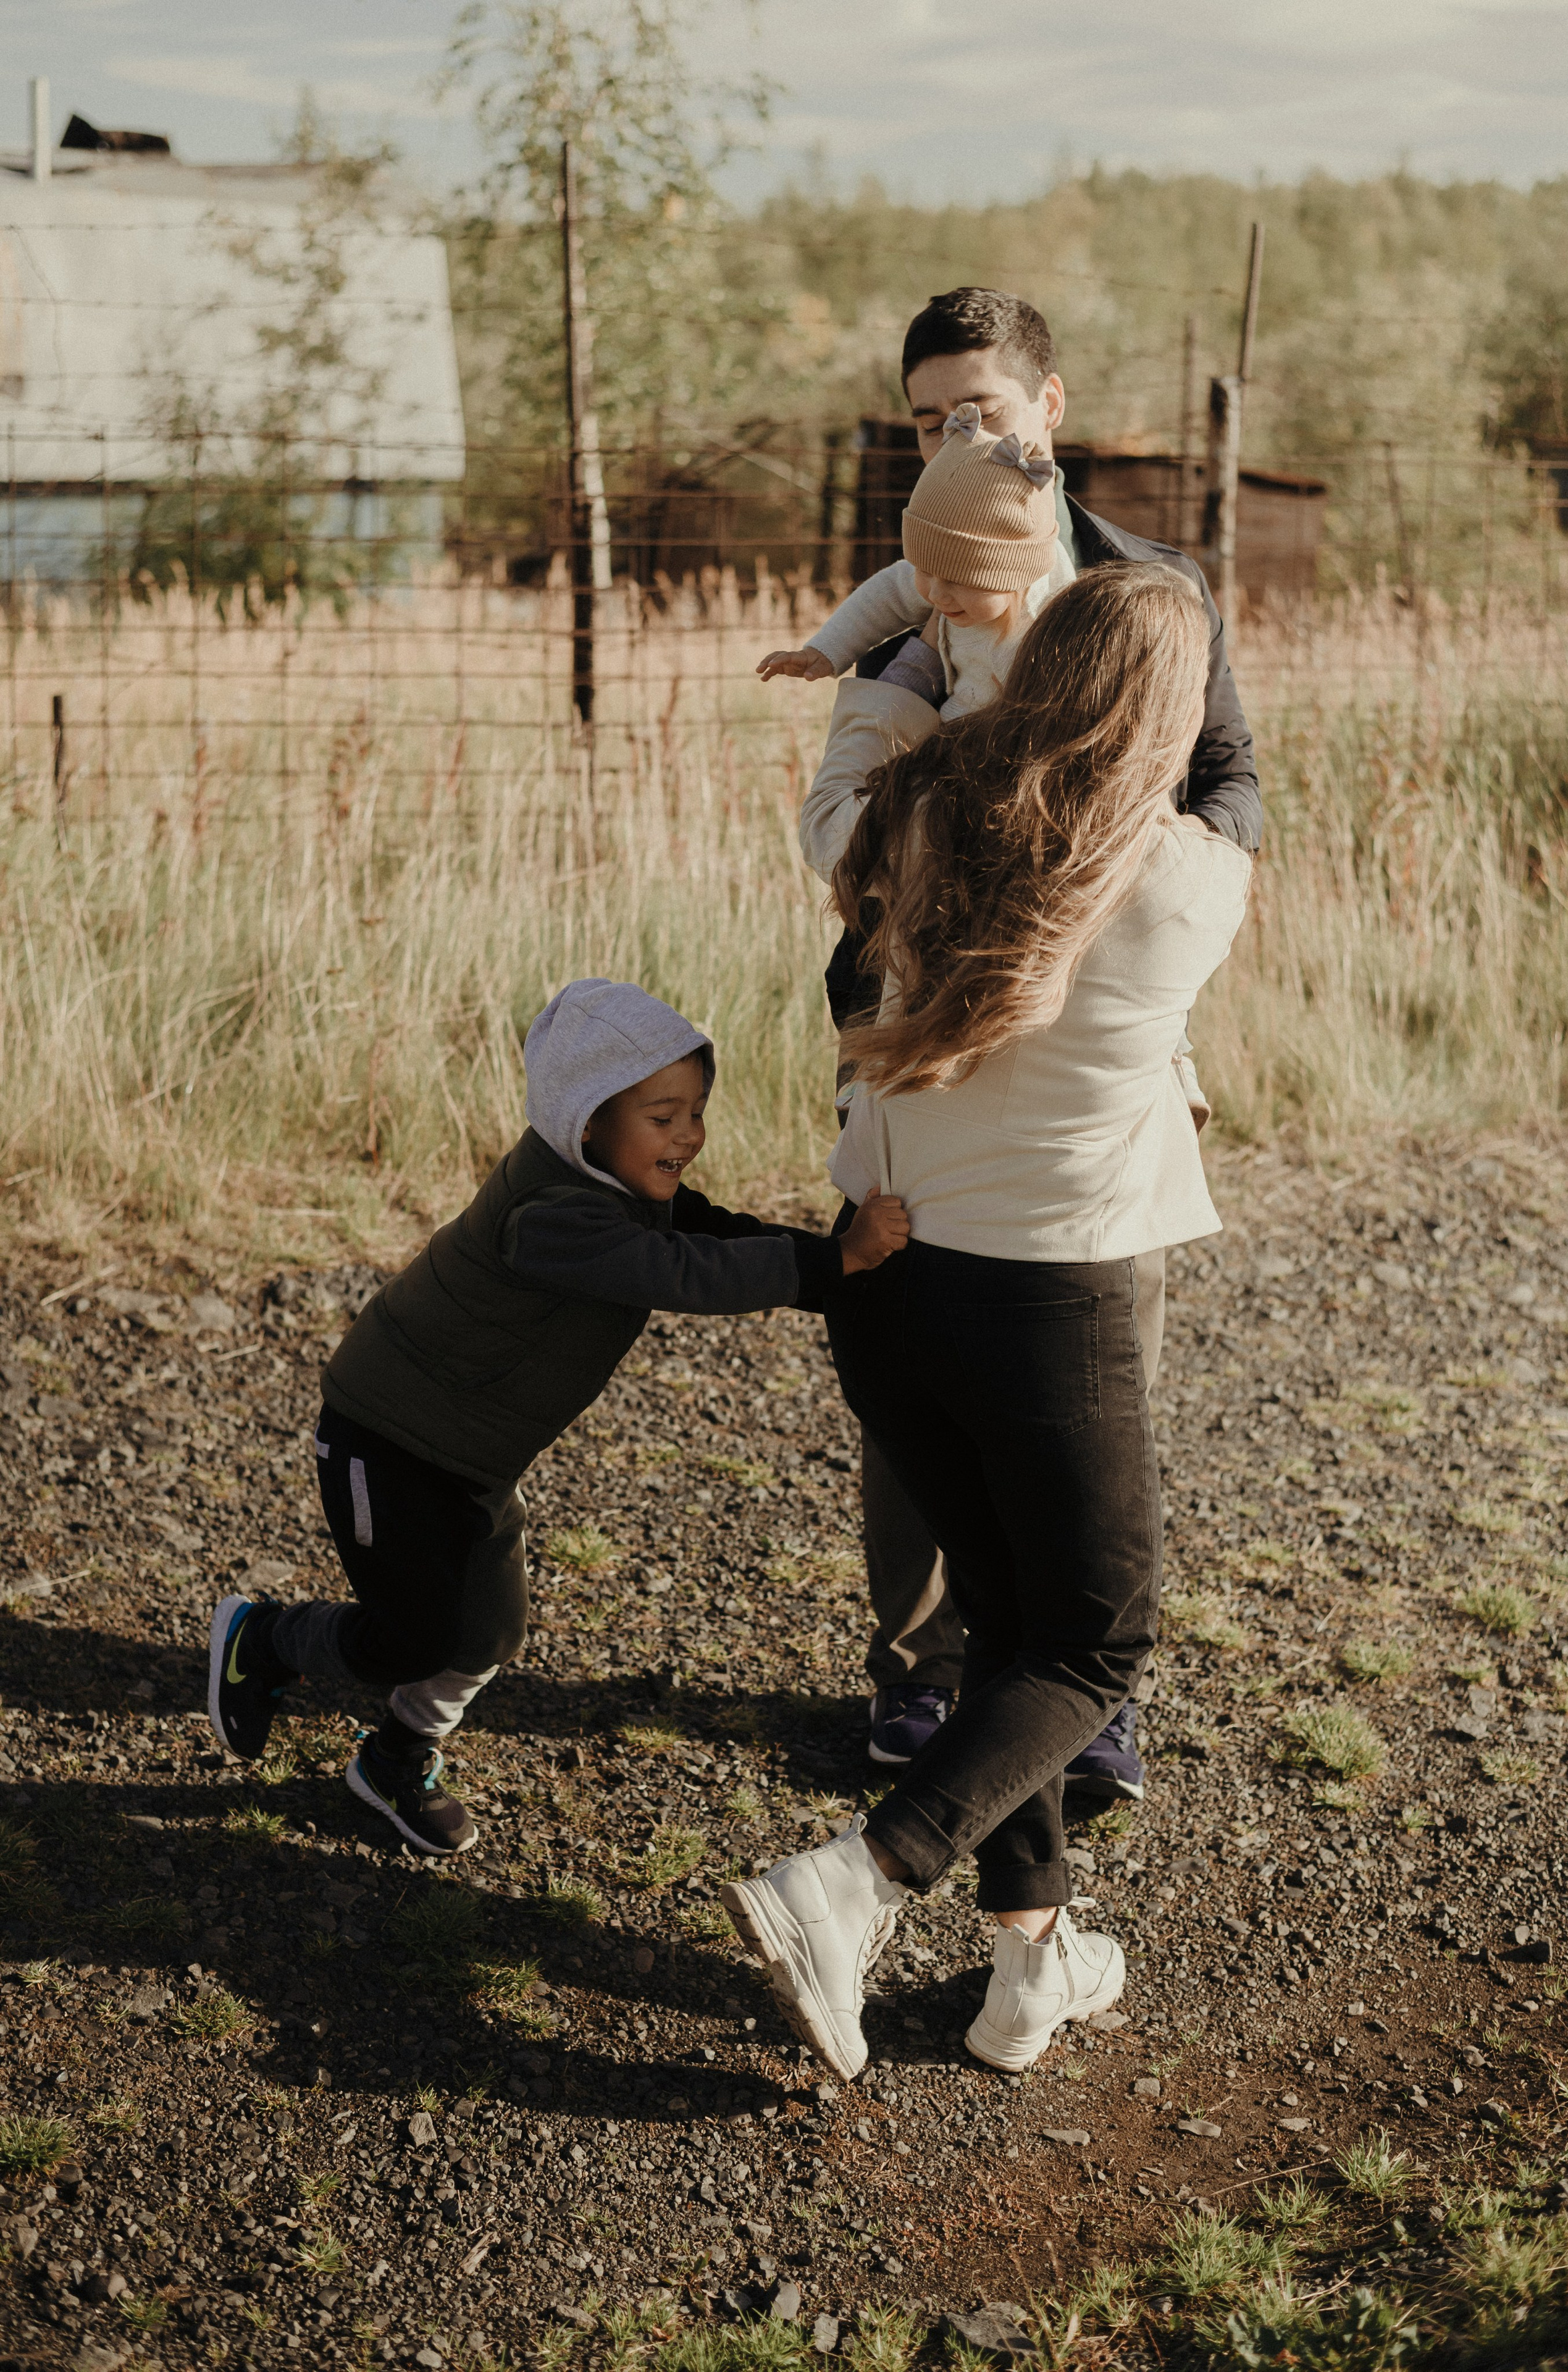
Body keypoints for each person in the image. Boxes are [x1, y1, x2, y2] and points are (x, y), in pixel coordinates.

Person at [723, 562, 1251, 2081]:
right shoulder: (1189, 885)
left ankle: (1028, 1966)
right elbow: (1227, 786)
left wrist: (899, 644)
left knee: (1008, 1628)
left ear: (1033, 667)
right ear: (1169, 713)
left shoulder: (913, 812)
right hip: (1043, 1306)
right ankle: (855, 1882)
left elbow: (853, 795)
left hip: (884, 1285)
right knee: (1093, 1640)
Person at [758, 284, 1262, 1793]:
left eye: (971, 411)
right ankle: (923, 1675)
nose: (946, 439)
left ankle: (1069, 1685)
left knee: (1090, 1356)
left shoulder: (1154, 589)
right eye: (922, 421)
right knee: (914, 1328)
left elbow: (1229, 775)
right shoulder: (920, 588)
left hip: (1097, 1027)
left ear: (1047, 405)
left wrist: (1128, 881)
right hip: (927, 1012)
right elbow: (857, 821)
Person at [206, 979, 908, 1856]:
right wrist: (838, 1262)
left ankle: (394, 1758)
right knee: (411, 1637)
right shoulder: (553, 1216)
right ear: (587, 1121)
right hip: (385, 1437)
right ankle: (267, 1638)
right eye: (663, 1117)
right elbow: (684, 1274)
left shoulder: (623, 1186)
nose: (689, 1135)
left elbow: (715, 1236)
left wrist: (839, 1270)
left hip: (473, 1458)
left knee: (489, 1630)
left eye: (696, 1111)